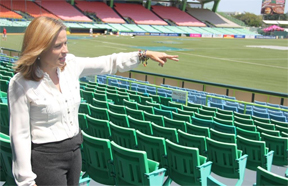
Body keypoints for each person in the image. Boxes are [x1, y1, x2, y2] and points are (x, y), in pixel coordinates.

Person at [8, 16, 178, 186]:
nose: (65, 50)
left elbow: (109, 63)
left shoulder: (71, 65)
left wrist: (144, 55)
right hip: (46, 159)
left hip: (75, 152)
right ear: (40, 48)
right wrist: (26, 182)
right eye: (58, 46)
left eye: (66, 43)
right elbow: (20, 135)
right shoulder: (20, 83)